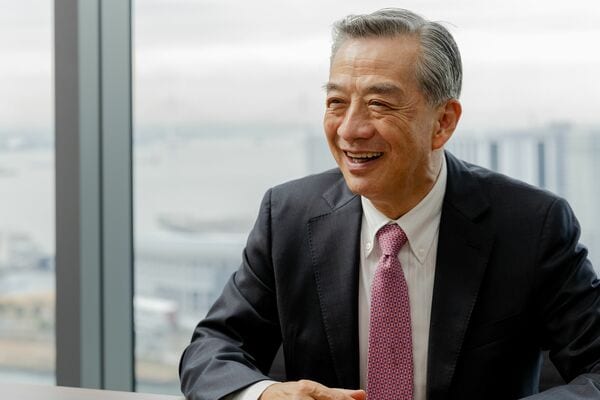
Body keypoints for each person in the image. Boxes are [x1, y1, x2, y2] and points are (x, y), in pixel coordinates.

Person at [179, 8, 600, 400]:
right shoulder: (288, 216)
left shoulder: (531, 225)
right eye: (336, 102)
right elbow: (211, 349)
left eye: (378, 104)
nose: (350, 129)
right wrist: (265, 394)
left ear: (443, 122)